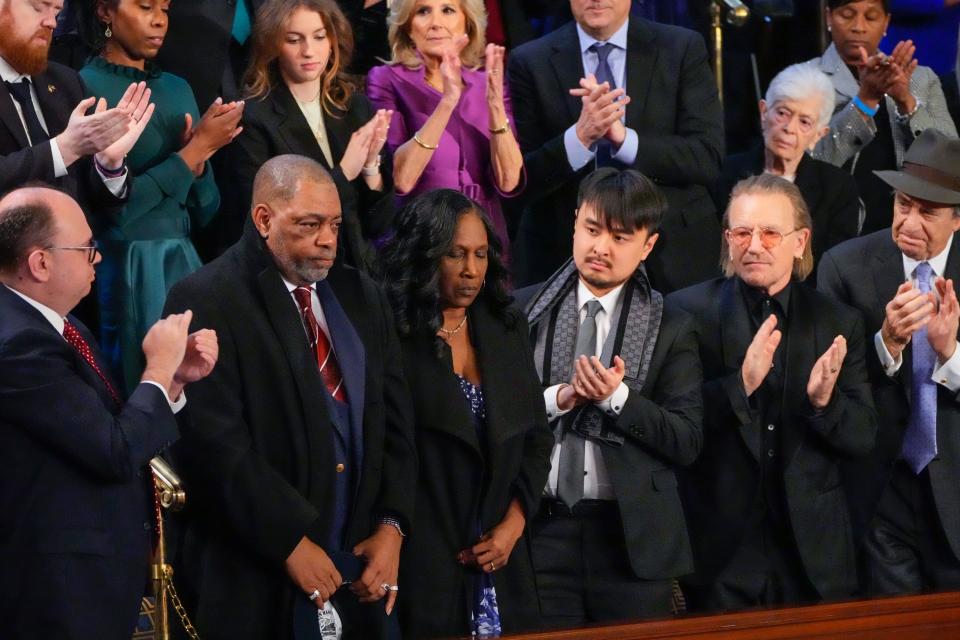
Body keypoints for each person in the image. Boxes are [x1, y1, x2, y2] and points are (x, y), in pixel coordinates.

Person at [162, 154, 417, 638]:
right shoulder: (206, 296)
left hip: (360, 573)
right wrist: (289, 543)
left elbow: (398, 425)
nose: (327, 239)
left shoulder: (360, 292)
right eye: (310, 224)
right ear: (263, 219)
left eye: (335, 224)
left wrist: (391, 528)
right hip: (258, 581)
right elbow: (214, 446)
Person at [0, 185, 218, 639]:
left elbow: (113, 428)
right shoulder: (17, 344)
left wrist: (172, 380)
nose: (96, 259)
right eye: (86, 249)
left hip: (90, 581)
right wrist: (156, 365)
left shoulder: (60, 323)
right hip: (54, 592)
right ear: (40, 263)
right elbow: (115, 450)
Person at [667, 174, 877, 612]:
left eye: (769, 233)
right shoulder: (686, 313)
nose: (755, 245)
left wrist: (825, 402)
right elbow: (673, 428)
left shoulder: (840, 322)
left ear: (800, 241)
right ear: (727, 239)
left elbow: (863, 437)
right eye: (742, 232)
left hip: (811, 555)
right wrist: (739, 385)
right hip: (720, 553)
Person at [514, 168, 703, 626]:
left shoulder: (672, 325)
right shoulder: (523, 311)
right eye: (592, 229)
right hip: (539, 529)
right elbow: (495, 414)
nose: (600, 248)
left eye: (620, 237)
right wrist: (558, 399)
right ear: (575, 222)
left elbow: (686, 440)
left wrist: (617, 398)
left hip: (629, 538)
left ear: (648, 245)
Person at [379, 189, 552, 638]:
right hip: (427, 558)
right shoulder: (394, 334)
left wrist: (514, 523)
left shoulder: (505, 323)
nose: (472, 270)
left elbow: (536, 437)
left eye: (479, 254)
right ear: (426, 255)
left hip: (504, 559)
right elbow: (388, 453)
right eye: (455, 254)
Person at [818, 129, 960, 595]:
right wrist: (888, 343)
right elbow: (830, 388)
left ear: (957, 220)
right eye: (903, 205)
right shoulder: (845, 267)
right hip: (881, 488)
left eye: (928, 212)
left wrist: (950, 355)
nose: (910, 222)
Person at [76, 0, 242, 393]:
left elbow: (207, 211)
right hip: (127, 268)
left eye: (165, 8)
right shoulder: (82, 86)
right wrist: (190, 155)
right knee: (147, 391)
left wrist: (199, 163)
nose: (159, 20)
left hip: (187, 263)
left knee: (207, 395)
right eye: (145, 6)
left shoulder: (178, 88)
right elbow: (116, 212)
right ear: (105, 12)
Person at [506, 0, 724, 291]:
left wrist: (624, 140)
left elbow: (707, 157)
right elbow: (522, 180)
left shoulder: (681, 48)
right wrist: (580, 137)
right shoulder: (530, 61)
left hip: (673, 253)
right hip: (563, 256)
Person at [235, 0, 393, 273]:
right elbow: (266, 224)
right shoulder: (255, 118)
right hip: (298, 273)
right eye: (294, 40)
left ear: (333, 41)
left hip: (361, 272)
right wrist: (344, 172)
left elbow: (380, 222)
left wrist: (370, 170)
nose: (309, 51)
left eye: (319, 37)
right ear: (273, 46)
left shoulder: (356, 107)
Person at [366, 0, 523, 261]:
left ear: (467, 23)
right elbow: (401, 179)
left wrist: (495, 105)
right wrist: (447, 100)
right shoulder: (386, 79)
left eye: (448, 10)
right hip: (420, 242)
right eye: (423, 11)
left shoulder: (488, 82)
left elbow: (509, 180)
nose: (436, 22)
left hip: (483, 241)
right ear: (407, 25)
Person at [810, 0, 957, 235]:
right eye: (847, 15)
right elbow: (811, 164)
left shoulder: (922, 79)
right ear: (828, 17)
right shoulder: (805, 81)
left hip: (910, 231)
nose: (858, 27)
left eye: (870, 17)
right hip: (834, 231)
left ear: (886, 22)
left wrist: (906, 102)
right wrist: (865, 101)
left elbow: (950, 164)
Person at [0, 0, 153, 211]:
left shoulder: (66, 82)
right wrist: (64, 149)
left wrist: (108, 165)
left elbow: (94, 201)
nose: (52, 22)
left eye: (57, 12)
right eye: (37, 8)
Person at [717, 63, 861, 282]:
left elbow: (834, 269)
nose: (789, 128)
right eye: (782, 113)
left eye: (804, 122)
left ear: (819, 134)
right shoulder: (724, 174)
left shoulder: (838, 188)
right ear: (764, 111)